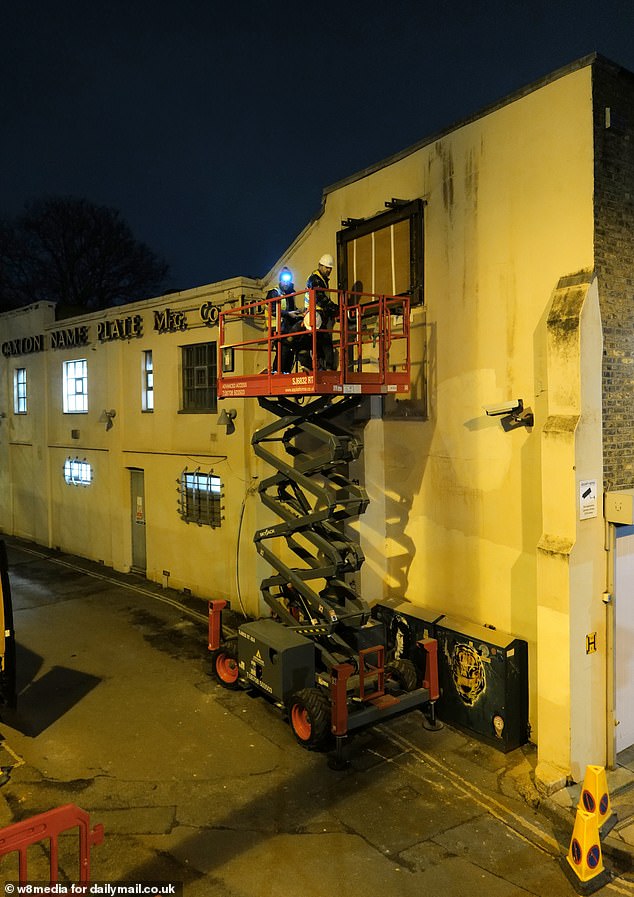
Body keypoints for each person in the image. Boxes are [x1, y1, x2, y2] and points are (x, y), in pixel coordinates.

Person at [297, 253, 339, 371]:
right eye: (327, 268)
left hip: (318, 315)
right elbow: (320, 299)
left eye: (330, 268)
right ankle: (325, 367)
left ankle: (320, 366)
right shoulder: (315, 279)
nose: (329, 270)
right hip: (315, 315)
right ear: (320, 266)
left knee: (320, 342)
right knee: (323, 342)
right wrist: (336, 309)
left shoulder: (321, 279)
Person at [265, 267, 303, 373]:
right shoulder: (274, 293)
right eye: (284, 279)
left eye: (288, 280)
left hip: (287, 328)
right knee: (283, 351)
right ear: (280, 279)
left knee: (289, 352)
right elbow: (272, 310)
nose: (286, 282)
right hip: (277, 328)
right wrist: (288, 314)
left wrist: (299, 312)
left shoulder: (291, 293)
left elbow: (291, 309)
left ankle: (285, 372)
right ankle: (277, 372)